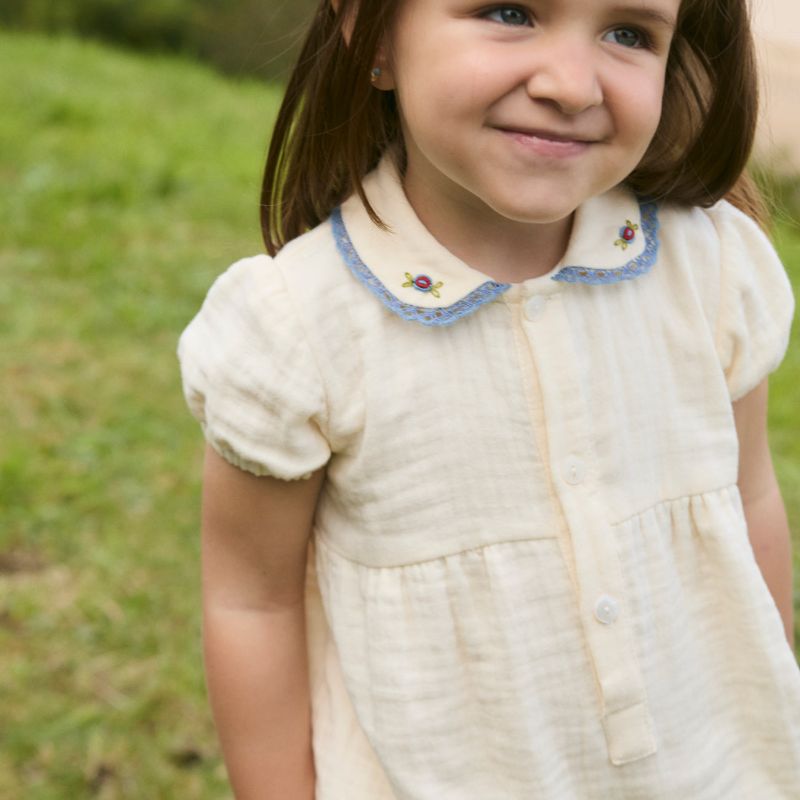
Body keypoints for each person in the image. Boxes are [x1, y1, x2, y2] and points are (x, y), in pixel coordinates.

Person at [177, 0, 800, 797]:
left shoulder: (711, 268)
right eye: (509, 12)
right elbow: (251, 604)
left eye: (628, 34)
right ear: (371, 32)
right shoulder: (298, 329)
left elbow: (750, 501)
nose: (572, 85)